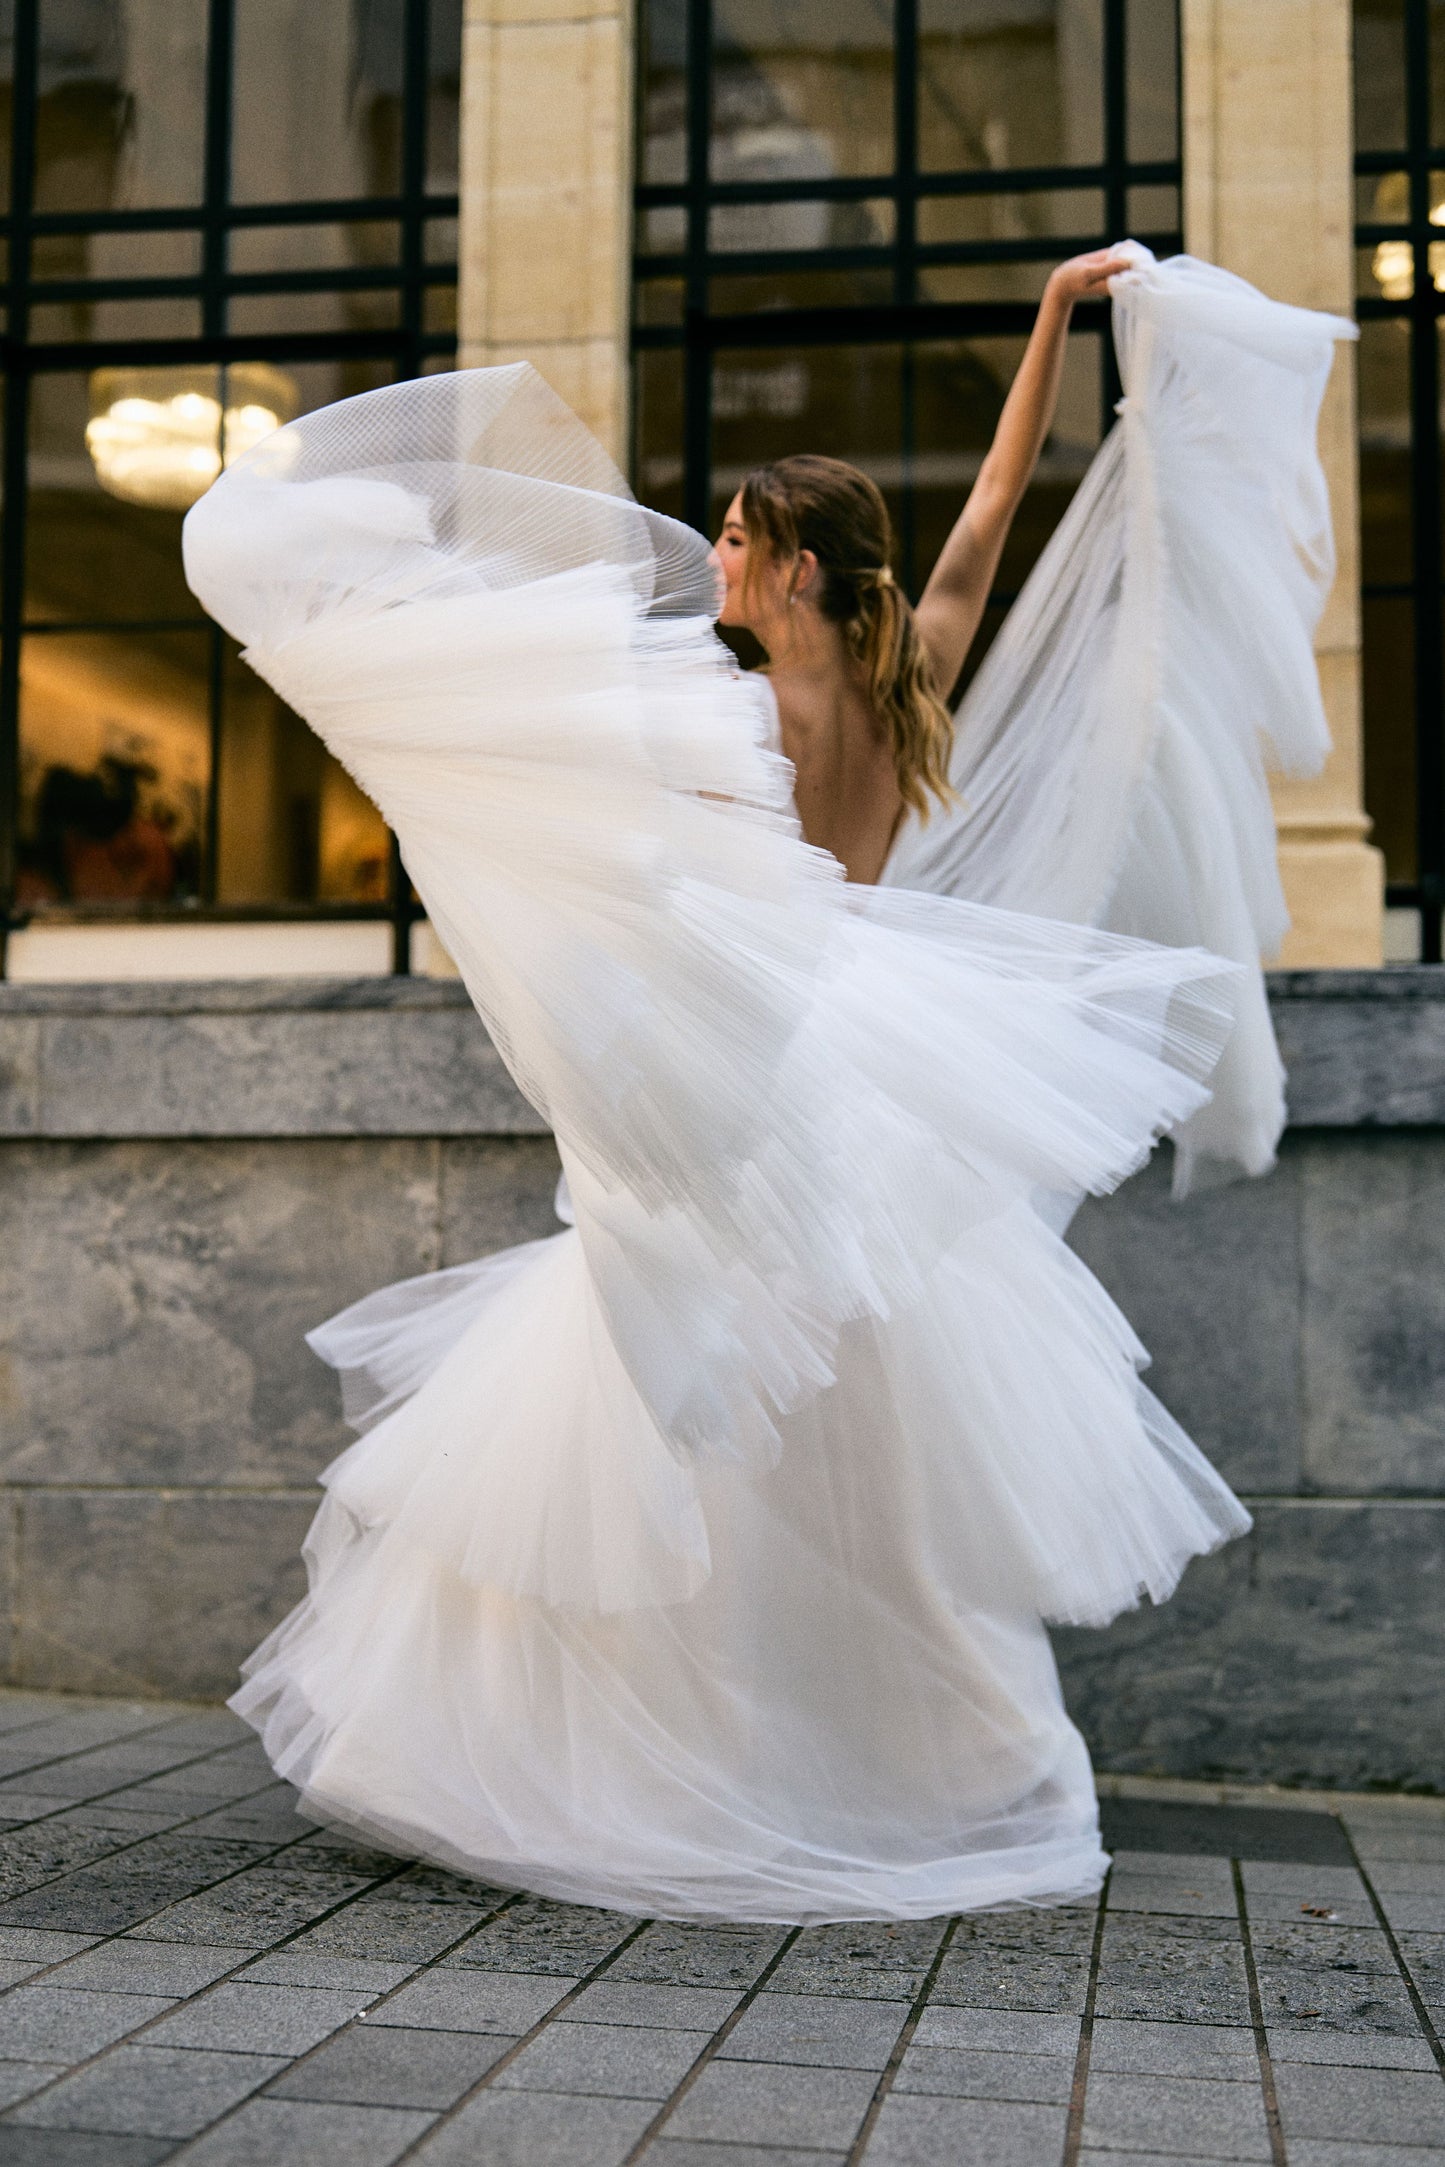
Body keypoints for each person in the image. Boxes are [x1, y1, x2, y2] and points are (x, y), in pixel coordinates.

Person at [181, 245, 1351, 1923]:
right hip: (819, 1064)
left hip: (785, 1066)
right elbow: (983, 519)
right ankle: (790, 1747)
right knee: (788, 1419)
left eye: (734, 537)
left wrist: (1045, 329)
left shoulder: (751, 705)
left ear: (795, 566)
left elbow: (978, 522)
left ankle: (779, 1760)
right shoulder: (867, 673)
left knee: (732, 1407)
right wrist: (1043, 326)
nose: (712, 556)